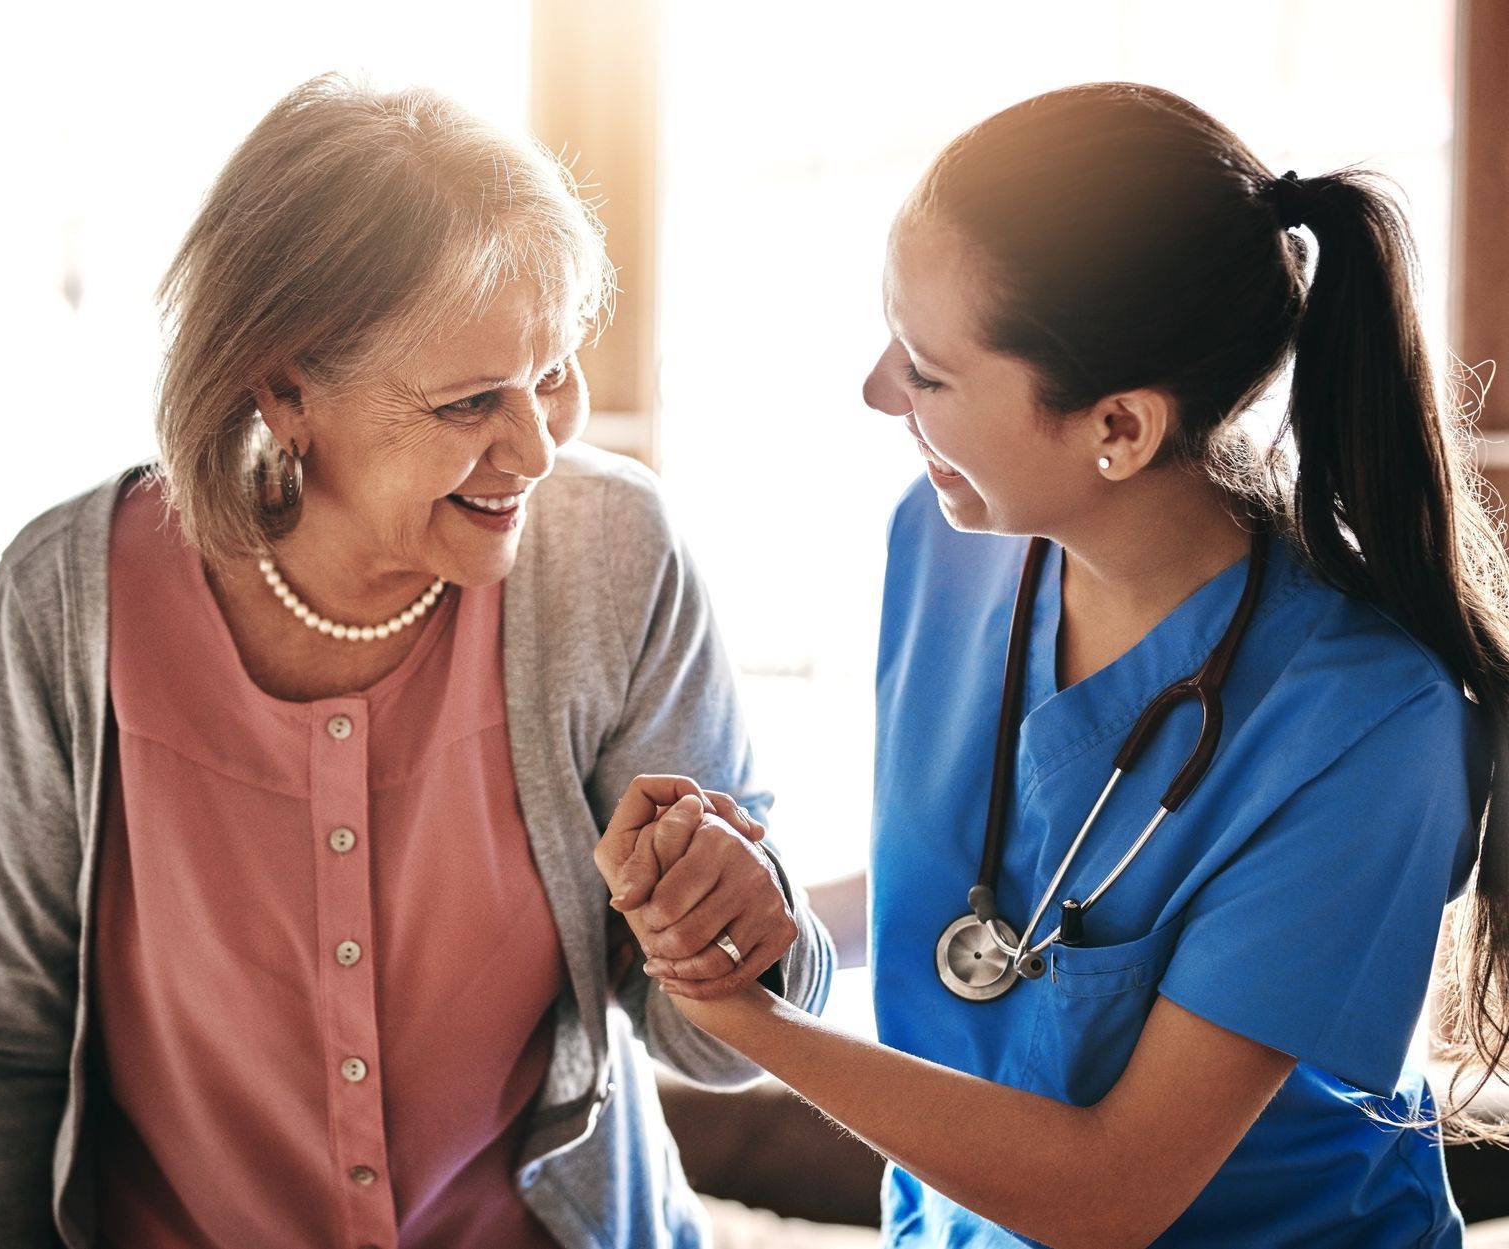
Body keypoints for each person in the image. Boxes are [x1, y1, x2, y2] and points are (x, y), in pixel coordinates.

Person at [0, 75, 833, 1249]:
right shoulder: (66, 600)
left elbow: (716, 1040)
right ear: (286, 388)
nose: (542, 446)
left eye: (553, 374)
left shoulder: (611, 556)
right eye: (469, 403)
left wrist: (740, 928)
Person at [600, 82, 1509, 1246]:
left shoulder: (1372, 723)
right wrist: (755, 898)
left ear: (1118, 429)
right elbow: (1011, 899)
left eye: (927, 372)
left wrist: (743, 1021)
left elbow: (1111, 1192)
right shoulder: (943, 542)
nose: (878, 390)